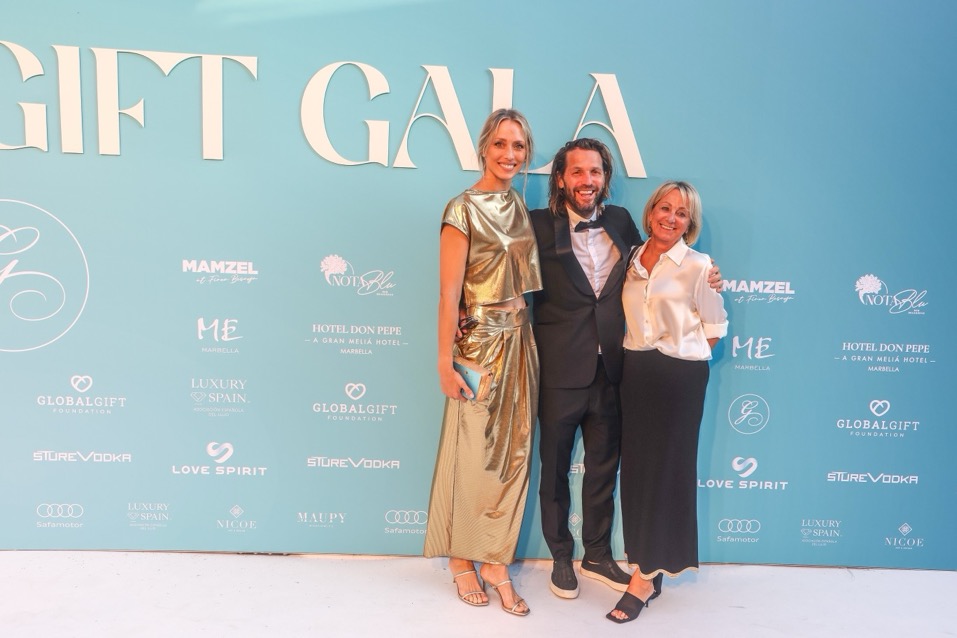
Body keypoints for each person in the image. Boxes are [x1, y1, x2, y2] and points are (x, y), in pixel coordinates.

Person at [530, 141, 722, 600]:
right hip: (559, 368)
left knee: (603, 467)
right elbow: (501, 269)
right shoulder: (537, 225)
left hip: (617, 371)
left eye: (595, 171)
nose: (587, 180)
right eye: (577, 172)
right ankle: (561, 556)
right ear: (561, 179)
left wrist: (708, 276)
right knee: (554, 468)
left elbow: (659, 266)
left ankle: (597, 553)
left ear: (605, 178)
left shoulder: (619, 222)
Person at [423, 108, 542, 617]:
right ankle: (460, 558)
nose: (509, 154)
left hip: (521, 340)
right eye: (500, 144)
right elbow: (449, 294)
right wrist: (443, 362)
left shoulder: (518, 203)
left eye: (518, 146)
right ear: (483, 147)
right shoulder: (462, 208)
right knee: (473, 452)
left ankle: (494, 561)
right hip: (480, 344)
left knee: (513, 454)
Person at [607, 181, 728, 623]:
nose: (671, 218)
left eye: (681, 213)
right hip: (635, 372)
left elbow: (715, 328)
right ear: (651, 211)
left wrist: (680, 358)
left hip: (678, 377)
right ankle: (647, 562)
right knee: (638, 472)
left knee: (667, 472)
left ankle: (643, 580)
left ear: (689, 223)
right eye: (665, 208)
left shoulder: (698, 266)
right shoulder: (630, 258)